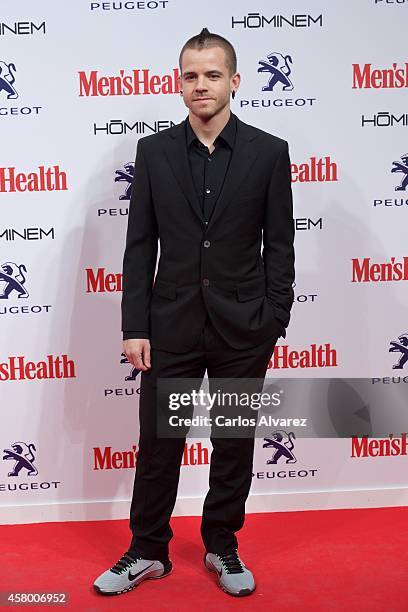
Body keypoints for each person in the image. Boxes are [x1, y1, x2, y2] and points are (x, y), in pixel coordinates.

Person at [93, 27, 295, 598]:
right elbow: (140, 245)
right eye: (190, 75)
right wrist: (136, 325)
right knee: (160, 444)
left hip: (242, 329)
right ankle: (146, 549)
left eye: (211, 74)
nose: (200, 85)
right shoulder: (154, 152)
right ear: (178, 83)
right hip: (171, 325)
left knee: (234, 441)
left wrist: (272, 318)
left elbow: (280, 244)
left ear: (234, 81)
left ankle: (222, 546)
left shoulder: (269, 152)